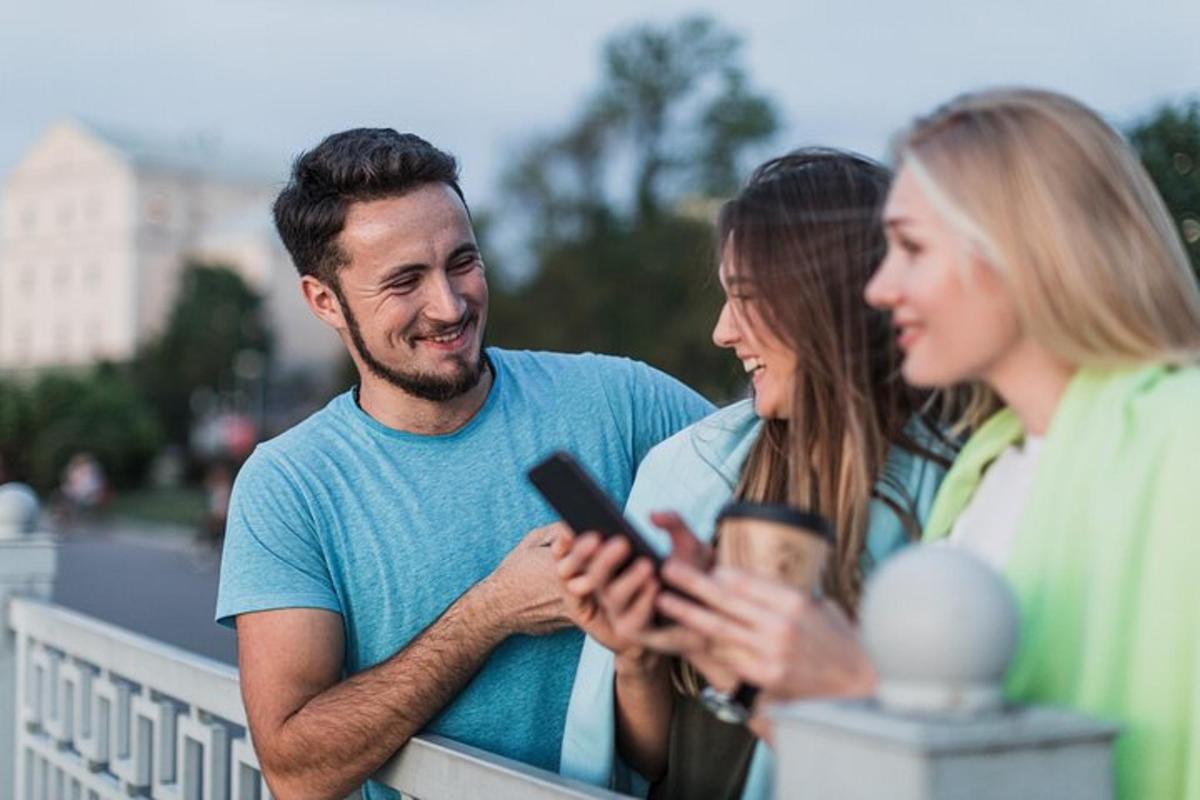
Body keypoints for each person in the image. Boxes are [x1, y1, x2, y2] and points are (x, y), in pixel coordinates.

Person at [648, 89, 1200, 799]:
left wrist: (863, 689)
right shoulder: (985, 475)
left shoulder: (1180, 446)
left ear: (1022, 246)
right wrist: (744, 663)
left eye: (911, 247)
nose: (879, 288)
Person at [214, 129, 712, 800]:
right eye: (404, 282)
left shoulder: (621, 400)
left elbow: (790, 481)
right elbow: (296, 769)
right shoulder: (288, 486)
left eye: (462, 262)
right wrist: (492, 611)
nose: (450, 306)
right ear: (324, 301)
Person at [553, 149, 953, 800]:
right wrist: (636, 656)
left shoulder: (959, 491)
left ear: (826, 302)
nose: (721, 332)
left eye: (744, 299)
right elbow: (648, 766)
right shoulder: (687, 468)